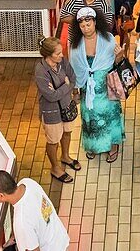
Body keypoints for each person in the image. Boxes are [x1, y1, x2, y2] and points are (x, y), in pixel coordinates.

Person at [68, 7, 125, 161]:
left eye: (89, 24)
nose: (86, 28)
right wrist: (75, 92)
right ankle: (93, 144)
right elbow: (74, 69)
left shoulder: (107, 38)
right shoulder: (76, 44)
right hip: (88, 88)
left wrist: (119, 55)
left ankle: (113, 145)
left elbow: (116, 63)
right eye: (82, 26)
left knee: (110, 114)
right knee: (89, 116)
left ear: (95, 22)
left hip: (107, 86)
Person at [34, 37, 82, 183]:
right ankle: (55, 168)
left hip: (67, 106)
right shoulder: (41, 71)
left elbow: (72, 78)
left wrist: (64, 87)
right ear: (48, 55)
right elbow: (50, 96)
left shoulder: (63, 62)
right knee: (53, 140)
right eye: (58, 53)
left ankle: (65, 156)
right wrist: (66, 87)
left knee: (67, 132)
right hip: (52, 112)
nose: (62, 56)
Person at [0, 171, 70, 251]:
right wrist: (15, 237)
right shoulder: (27, 182)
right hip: (59, 237)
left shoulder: (21, 222)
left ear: (1, 196)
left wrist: (21, 236)